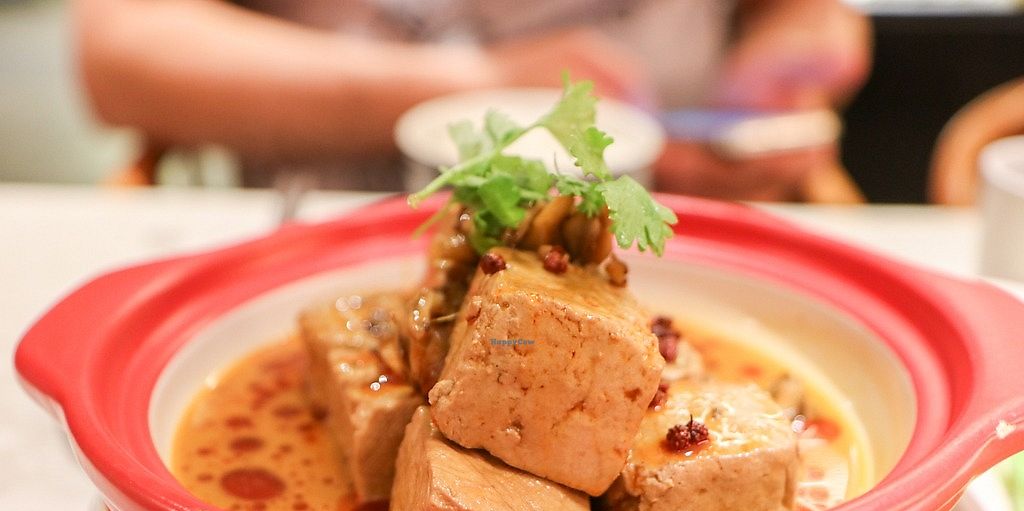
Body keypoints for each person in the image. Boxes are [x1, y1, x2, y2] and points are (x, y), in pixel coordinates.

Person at [74, 0, 870, 200]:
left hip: (687, 223)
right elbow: (118, 50)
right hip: (323, 223)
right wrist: (484, 87)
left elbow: (813, 19)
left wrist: (779, 69)